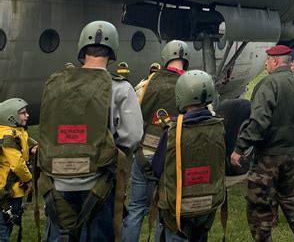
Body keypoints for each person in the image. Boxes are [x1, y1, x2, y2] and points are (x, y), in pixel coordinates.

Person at [38, 20, 143, 242]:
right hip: (99, 183)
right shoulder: (120, 88)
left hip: (56, 183)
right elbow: (132, 137)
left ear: (82, 49)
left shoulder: (57, 83)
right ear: (113, 50)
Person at [231, 44, 294, 242]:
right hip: (292, 154)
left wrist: (239, 148)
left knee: (259, 206)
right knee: (293, 202)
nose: (266, 64)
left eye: (268, 60)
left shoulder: (268, 84)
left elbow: (259, 121)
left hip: (268, 157)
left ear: (276, 61)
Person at [122, 41, 190, 242]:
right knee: (166, 211)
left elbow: (133, 117)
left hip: (144, 155)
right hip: (172, 158)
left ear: (165, 58)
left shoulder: (146, 83)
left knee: (136, 208)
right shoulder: (190, 85)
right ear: (186, 60)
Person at [152, 70, 226, 241]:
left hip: (177, 208)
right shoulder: (219, 127)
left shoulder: (172, 132)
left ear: (181, 96)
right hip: (207, 204)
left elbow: (156, 168)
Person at [0, 98, 37, 242]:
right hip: (7, 191)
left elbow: (23, 140)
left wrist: (33, 146)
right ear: (11, 116)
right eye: (22, 113)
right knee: (4, 229)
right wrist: (28, 180)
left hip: (9, 190)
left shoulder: (13, 131)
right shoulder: (9, 136)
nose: (27, 115)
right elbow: (17, 164)